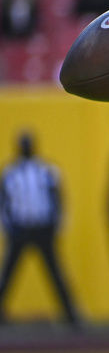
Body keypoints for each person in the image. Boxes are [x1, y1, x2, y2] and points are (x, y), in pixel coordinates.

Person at [0, 132, 80, 327]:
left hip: (43, 228)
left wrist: (57, 225)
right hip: (20, 228)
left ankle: (71, 315)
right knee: (9, 272)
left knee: (55, 272)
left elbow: (58, 199)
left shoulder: (46, 170)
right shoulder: (10, 172)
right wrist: (7, 227)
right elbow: (4, 203)